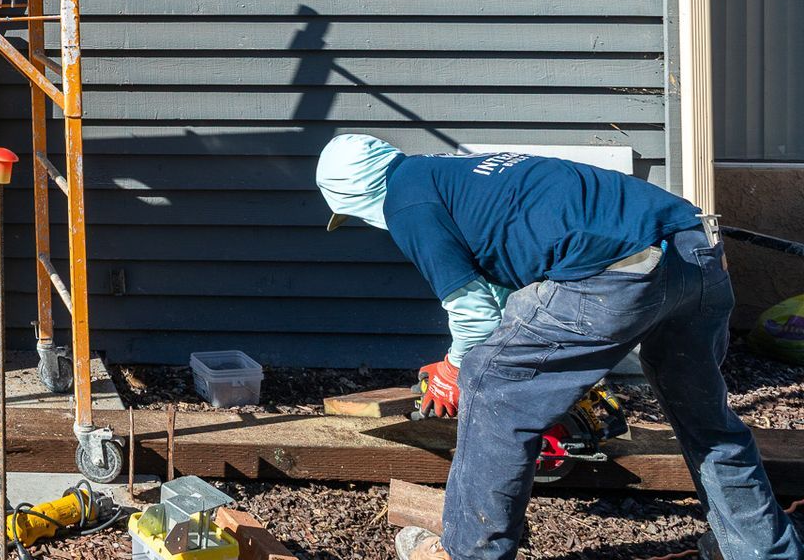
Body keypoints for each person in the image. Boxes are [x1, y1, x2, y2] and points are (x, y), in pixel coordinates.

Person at [315, 135, 802, 560]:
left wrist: (454, 367)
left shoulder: (407, 203)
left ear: (356, 195)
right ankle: (761, 548)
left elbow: (471, 312)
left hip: (622, 272)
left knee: (489, 385)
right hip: (698, 253)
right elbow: (508, 290)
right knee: (705, 417)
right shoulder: (456, 174)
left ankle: (467, 551)